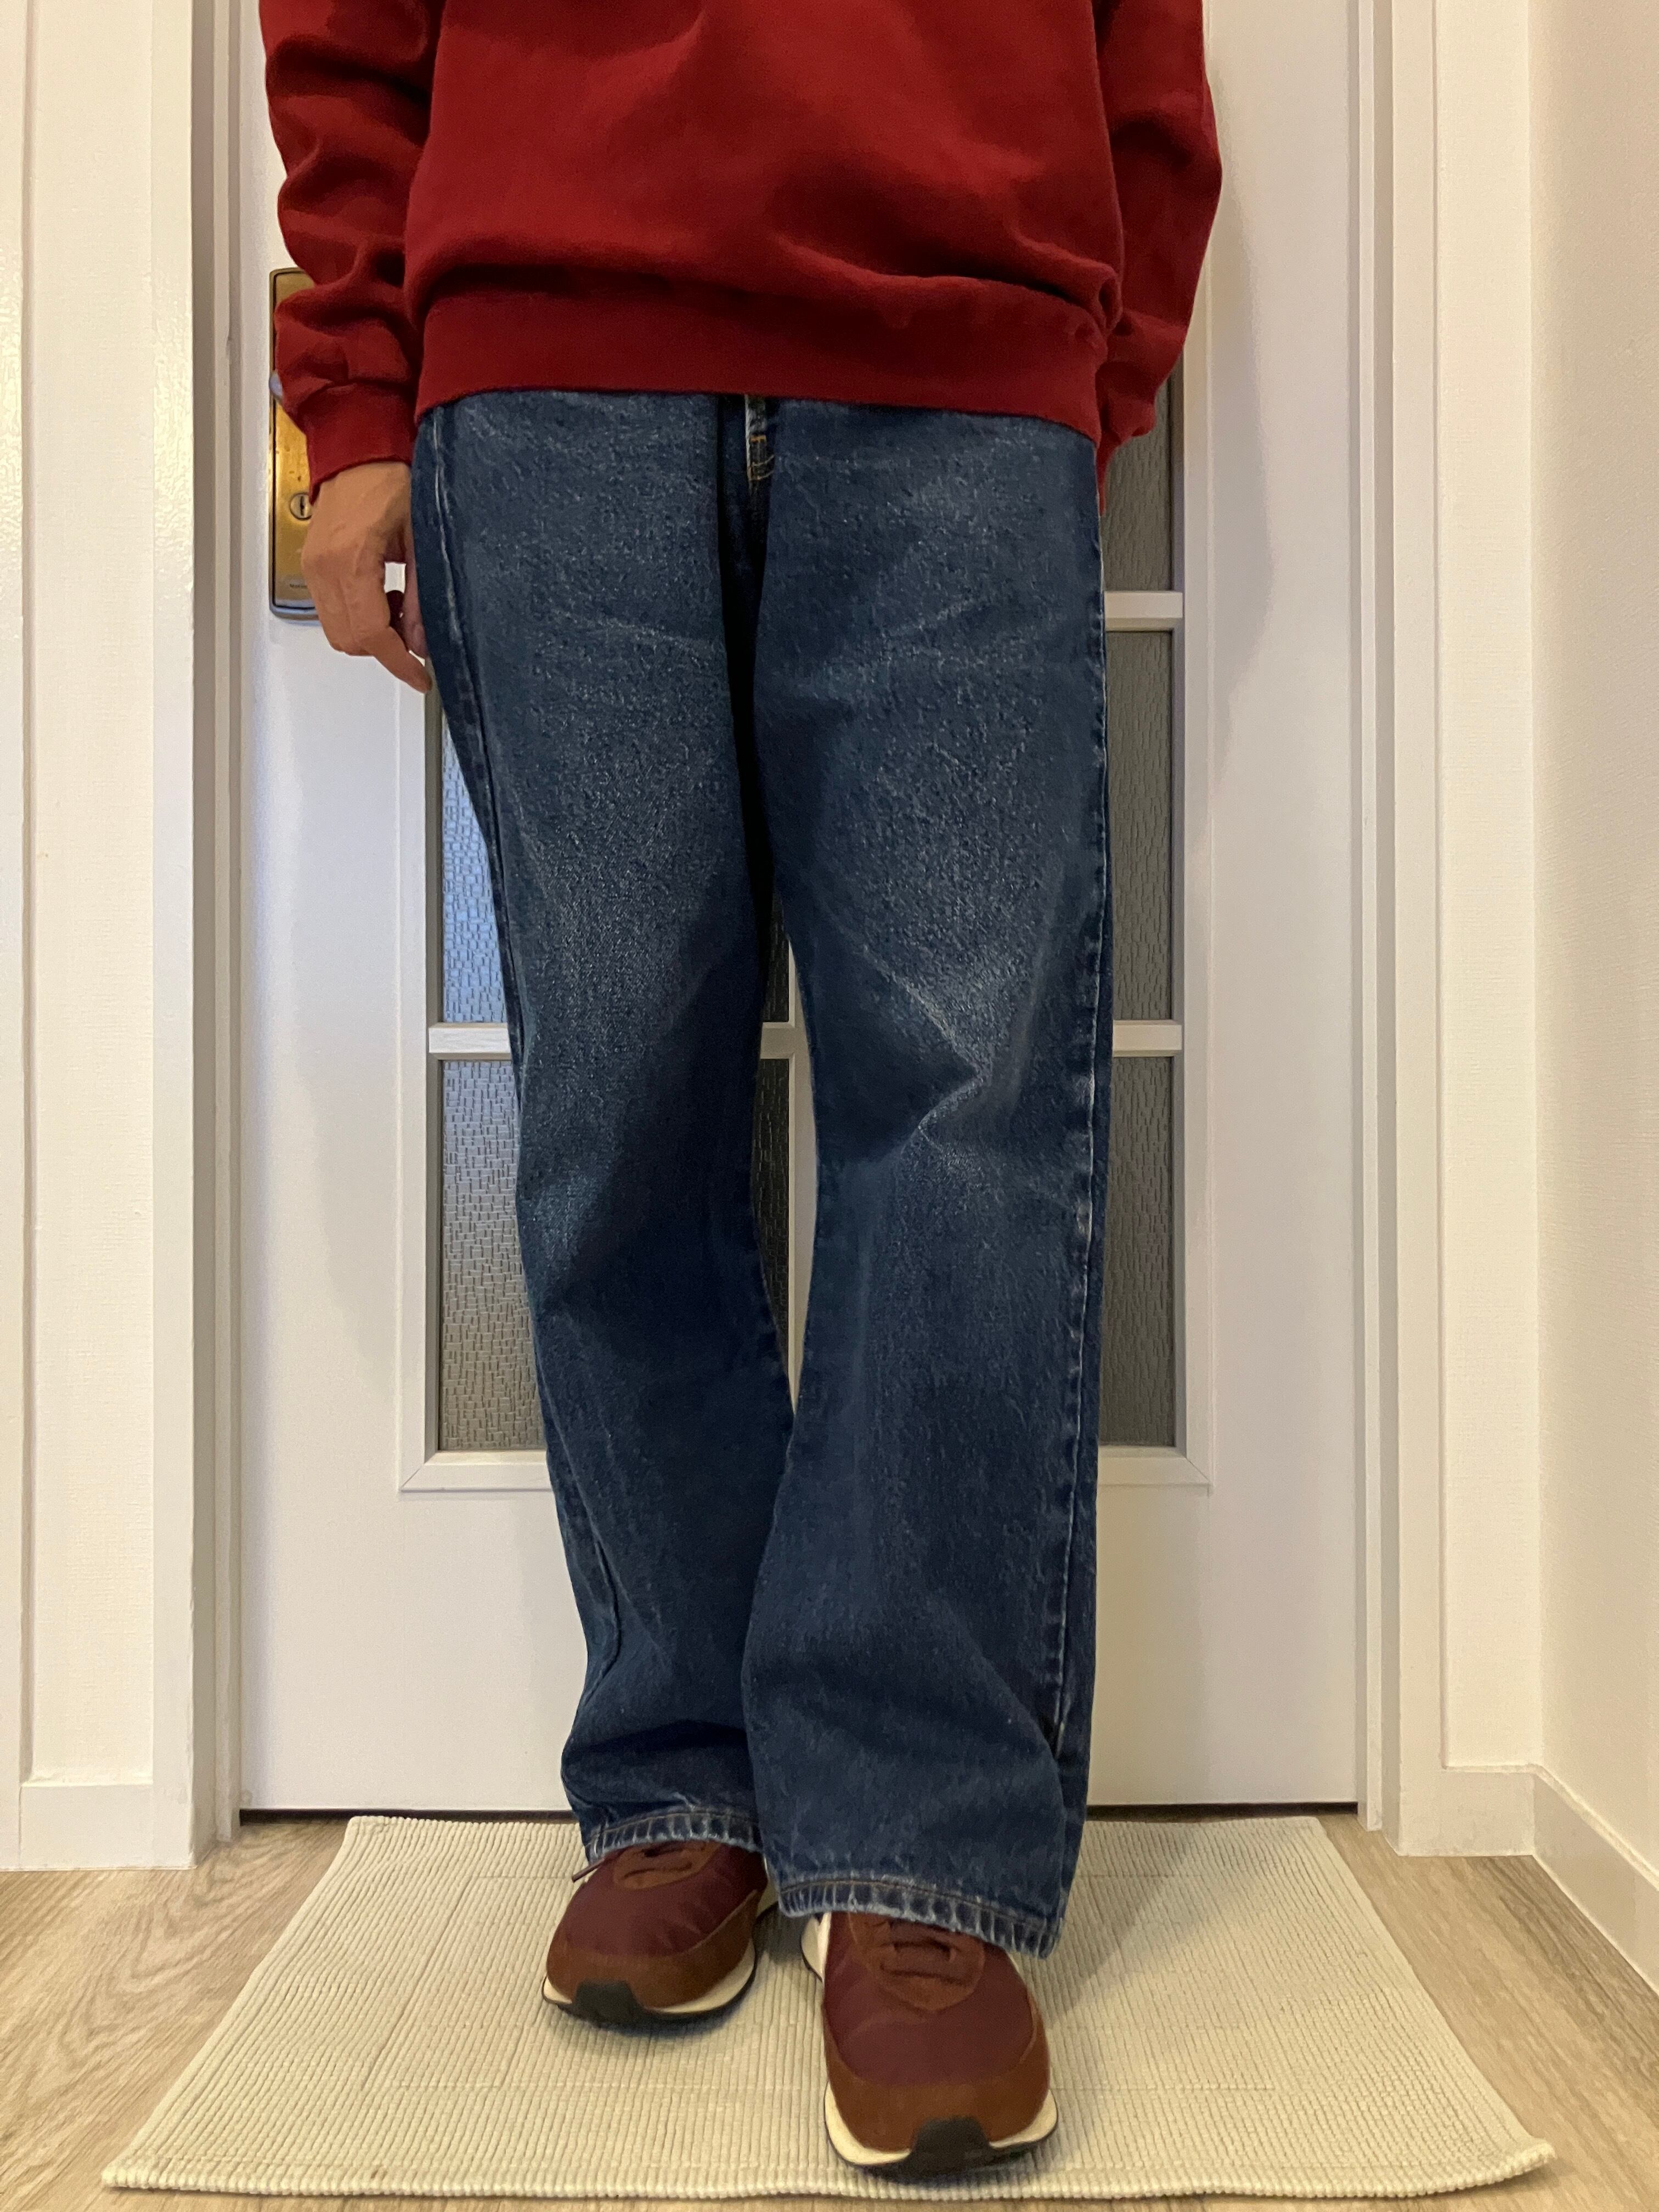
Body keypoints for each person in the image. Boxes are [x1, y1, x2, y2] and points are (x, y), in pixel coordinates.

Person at [259, 0, 1221, 2176]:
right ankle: (685, 1775)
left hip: (962, 357)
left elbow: (1147, 48)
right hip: (546, 372)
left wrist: (1088, 359)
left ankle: (916, 1842)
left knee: (965, 1107)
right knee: (619, 1103)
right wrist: (357, 398)